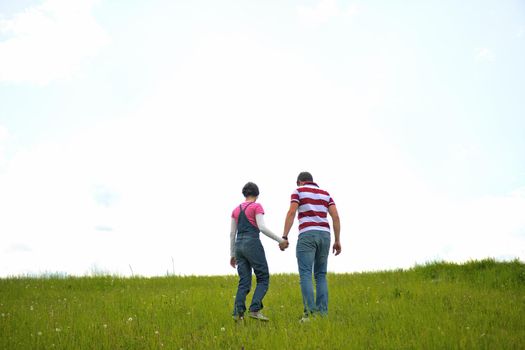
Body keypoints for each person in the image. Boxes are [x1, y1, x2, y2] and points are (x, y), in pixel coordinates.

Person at [282, 171, 341, 321]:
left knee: (306, 274)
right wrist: (337, 240)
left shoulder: (298, 191)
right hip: (325, 236)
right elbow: (335, 216)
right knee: (321, 275)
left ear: (300, 181)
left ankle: (309, 314)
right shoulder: (326, 194)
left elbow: (291, 212)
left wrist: (284, 236)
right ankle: (322, 314)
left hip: (307, 235)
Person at [230, 182, 289, 322]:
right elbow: (262, 227)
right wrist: (280, 240)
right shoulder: (257, 206)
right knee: (263, 277)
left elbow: (232, 233)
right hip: (252, 242)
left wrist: (232, 254)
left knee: (244, 281)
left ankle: (238, 314)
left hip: (238, 245)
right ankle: (255, 309)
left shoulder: (235, 210)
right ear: (257, 194)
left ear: (244, 194)